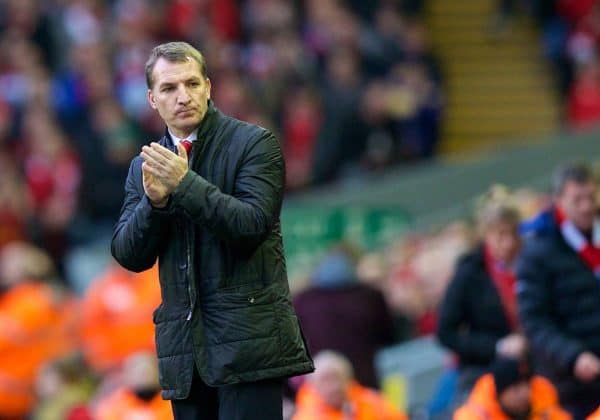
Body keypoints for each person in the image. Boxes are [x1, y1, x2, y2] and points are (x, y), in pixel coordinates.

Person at [110, 41, 314, 420]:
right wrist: (153, 205)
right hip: (185, 357)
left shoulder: (255, 144)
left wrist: (184, 184)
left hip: (251, 349)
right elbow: (127, 254)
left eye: (191, 84)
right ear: (152, 99)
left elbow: (251, 225)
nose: (182, 96)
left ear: (208, 86)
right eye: (169, 88)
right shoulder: (146, 164)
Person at [517, 161, 600, 420]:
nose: (587, 207)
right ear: (559, 201)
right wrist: (573, 356)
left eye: (591, 197)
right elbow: (535, 321)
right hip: (572, 386)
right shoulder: (538, 253)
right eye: (577, 200)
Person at [437, 197, 526, 400]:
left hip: (533, 364)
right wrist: (497, 346)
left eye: (514, 233)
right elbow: (446, 332)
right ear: (486, 235)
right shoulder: (469, 274)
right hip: (485, 371)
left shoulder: (533, 263)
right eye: (500, 235)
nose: (509, 243)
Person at [293, 246, 396, 388]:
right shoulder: (370, 297)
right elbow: (388, 337)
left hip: (323, 384)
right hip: (365, 379)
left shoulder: (303, 300)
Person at [293, 350, 407, 420]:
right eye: (325, 380)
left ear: (348, 379)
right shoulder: (305, 417)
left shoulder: (373, 403)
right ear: (313, 387)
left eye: (337, 377)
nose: (334, 386)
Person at [454, 357, 571, 420]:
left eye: (527, 386)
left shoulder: (546, 409)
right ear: (499, 394)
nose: (525, 393)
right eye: (516, 389)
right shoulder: (474, 416)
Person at [94, 352, 171, 420]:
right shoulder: (117, 405)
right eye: (139, 371)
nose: (143, 373)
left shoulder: (169, 404)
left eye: (147, 371)